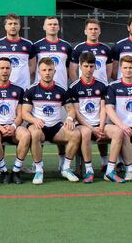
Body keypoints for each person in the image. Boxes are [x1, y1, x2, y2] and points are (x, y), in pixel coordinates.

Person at [22, 57, 81, 185]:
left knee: (75, 134)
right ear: (39, 72)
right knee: (35, 133)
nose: (47, 73)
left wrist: (70, 119)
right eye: (44, 70)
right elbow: (24, 113)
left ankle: (65, 168)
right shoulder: (31, 90)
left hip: (56, 127)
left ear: (54, 71)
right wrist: (34, 119)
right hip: (39, 126)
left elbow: (70, 110)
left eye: (50, 70)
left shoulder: (61, 90)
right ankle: (38, 170)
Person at [66, 52, 115, 183]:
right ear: (80, 67)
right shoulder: (74, 87)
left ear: (95, 67)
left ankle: (110, 170)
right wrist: (91, 128)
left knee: (119, 133)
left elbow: (104, 108)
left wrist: (101, 126)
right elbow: (76, 112)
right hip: (83, 125)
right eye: (86, 66)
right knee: (86, 133)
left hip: (100, 124)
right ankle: (89, 170)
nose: (89, 69)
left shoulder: (103, 85)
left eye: (91, 66)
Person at [0, 57, 30, 184]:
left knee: (26, 135)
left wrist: (13, 126)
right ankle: (3, 171)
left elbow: (20, 114)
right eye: (2, 68)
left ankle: (16, 171)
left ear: (11, 69)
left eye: (7, 68)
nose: (5, 71)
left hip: (13, 126)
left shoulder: (18, 90)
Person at [0, 13, 36, 90]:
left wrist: (23, 74)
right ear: (5, 26)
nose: (13, 26)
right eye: (10, 24)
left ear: (19, 26)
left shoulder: (28, 44)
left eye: (15, 23)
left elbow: (33, 66)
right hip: (3, 88)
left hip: (23, 87)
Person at [32, 16, 73, 88]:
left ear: (59, 27)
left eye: (55, 24)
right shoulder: (36, 46)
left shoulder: (67, 46)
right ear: (44, 27)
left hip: (61, 88)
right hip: (40, 89)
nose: (52, 26)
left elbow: (69, 70)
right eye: (49, 24)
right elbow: (33, 69)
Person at [70, 19, 113, 85]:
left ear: (100, 31)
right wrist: (79, 86)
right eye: (90, 29)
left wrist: (103, 84)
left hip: (101, 89)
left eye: (96, 29)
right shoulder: (78, 48)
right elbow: (72, 71)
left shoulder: (106, 49)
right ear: (85, 32)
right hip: (83, 88)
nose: (93, 31)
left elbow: (109, 71)